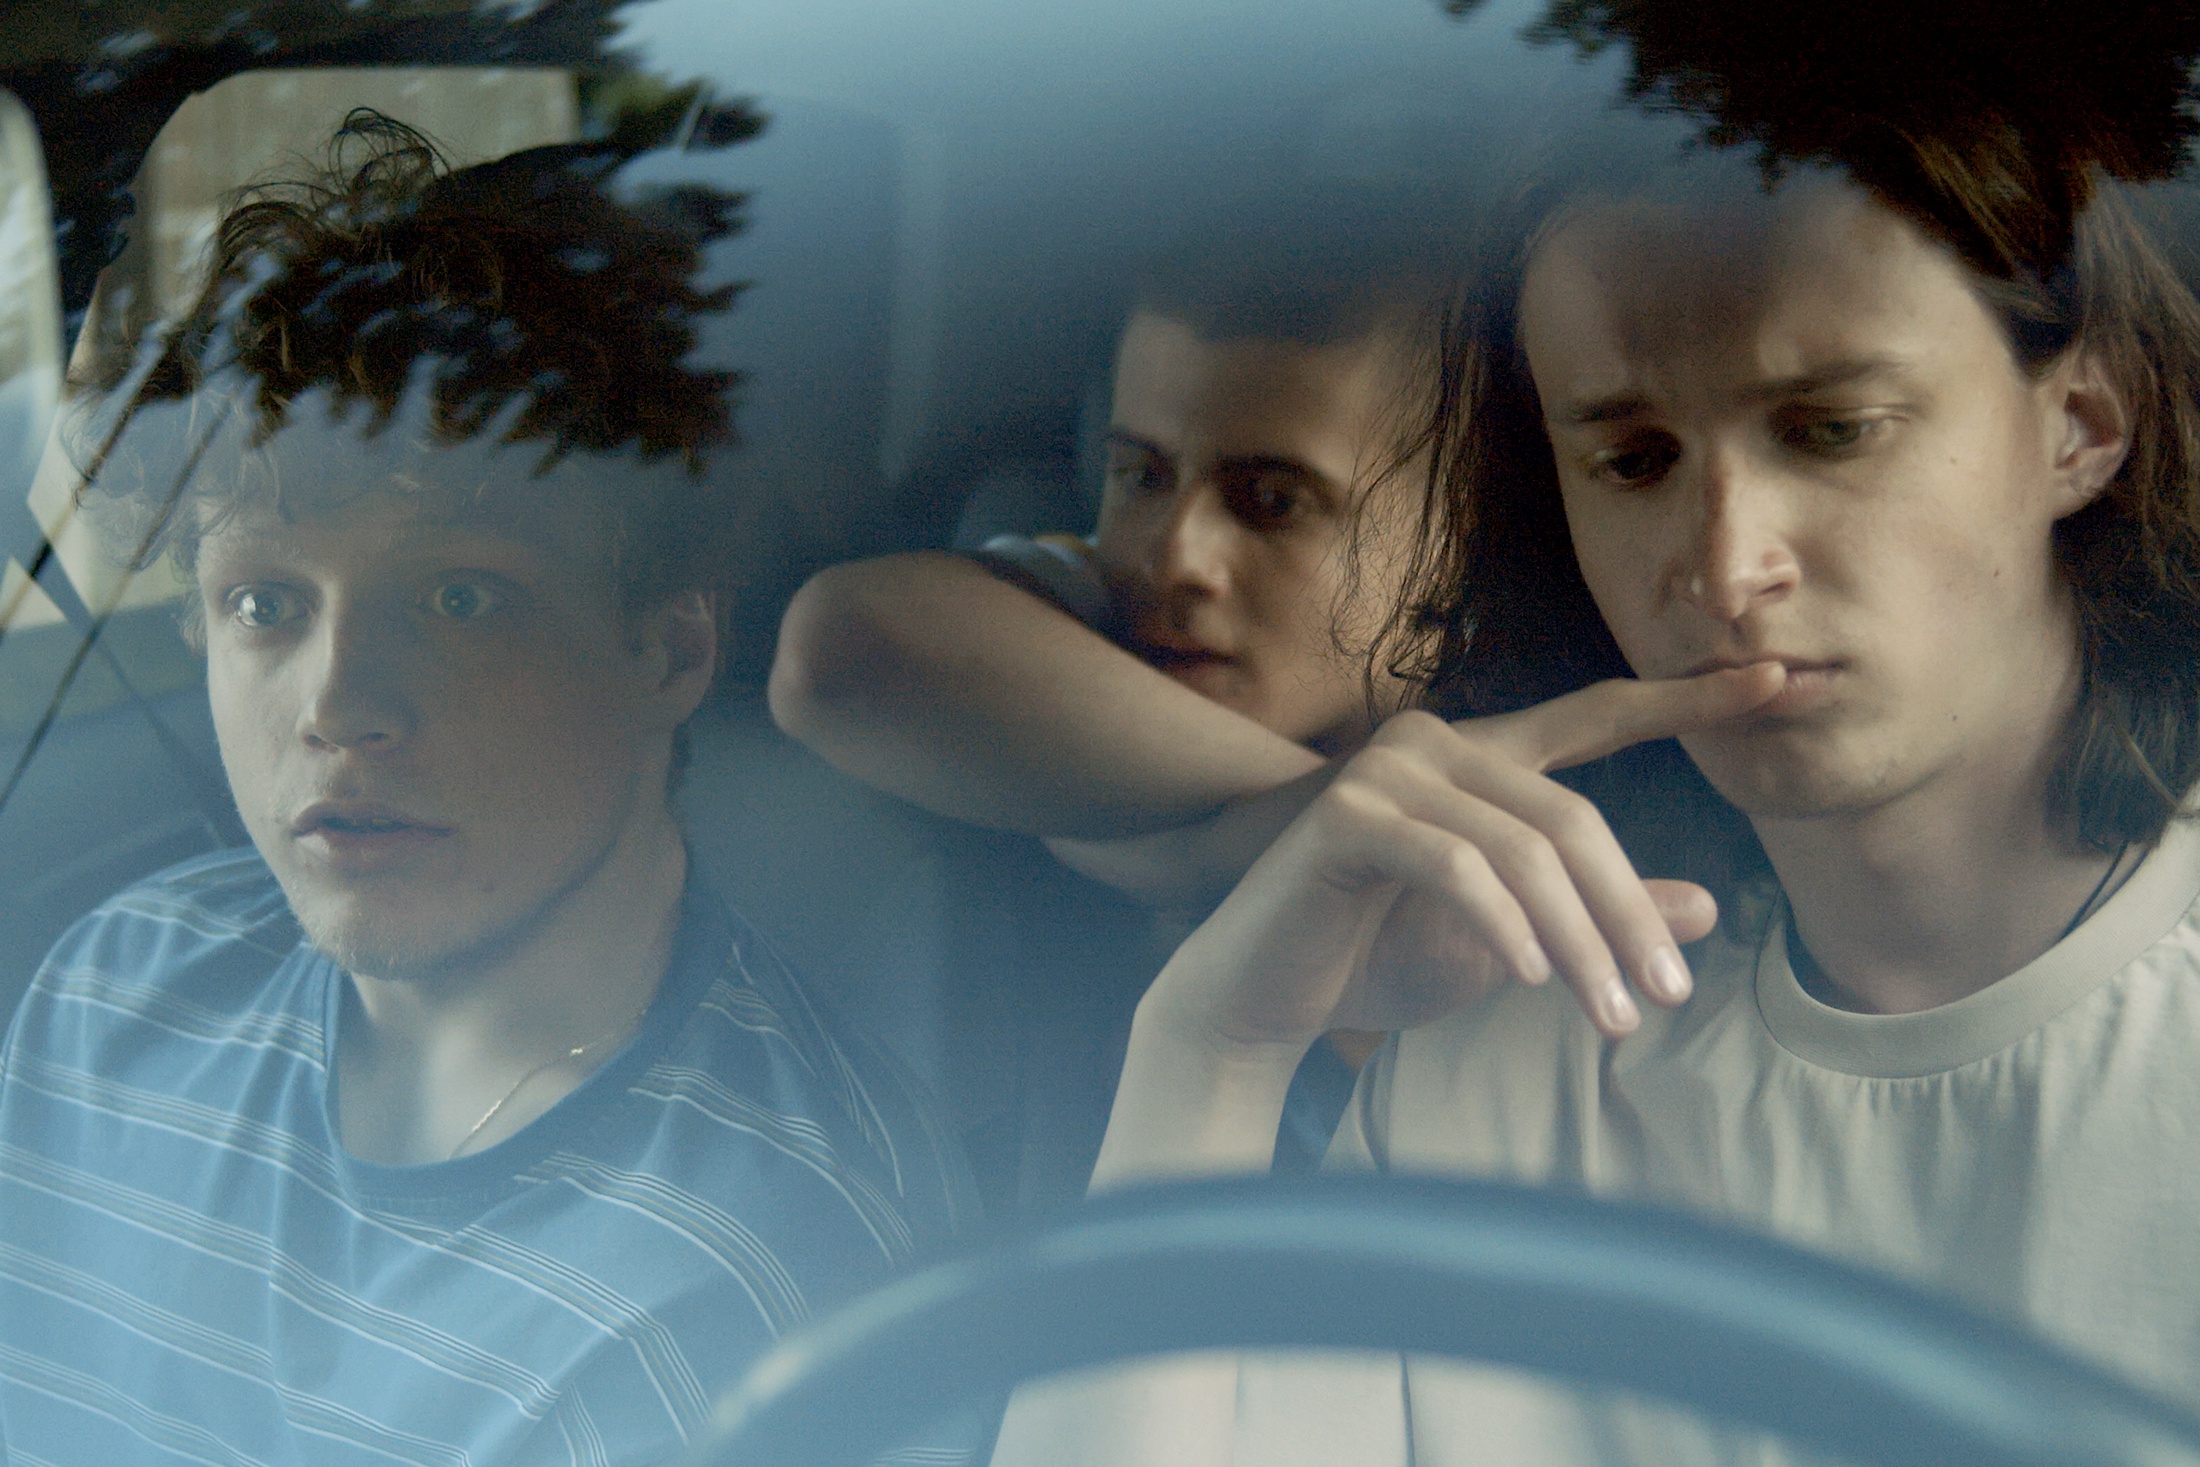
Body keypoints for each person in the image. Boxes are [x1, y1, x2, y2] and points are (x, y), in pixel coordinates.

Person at [988, 32, 2200, 1467]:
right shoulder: (1501, 1058)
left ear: (2083, 426)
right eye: (1633, 459)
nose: (1725, 567)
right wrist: (1215, 1048)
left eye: (1831, 430)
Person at [0, 114, 973, 1466]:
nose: (337, 705)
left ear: (668, 648)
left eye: (460, 598)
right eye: (265, 603)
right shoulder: (116, 989)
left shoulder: (762, 1265)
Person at [769, 218, 1453, 1198]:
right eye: (1141, 476)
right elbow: (833, 652)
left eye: (1271, 500)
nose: (1174, 557)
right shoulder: (1090, 605)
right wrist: (1309, 833)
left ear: (1458, 543)